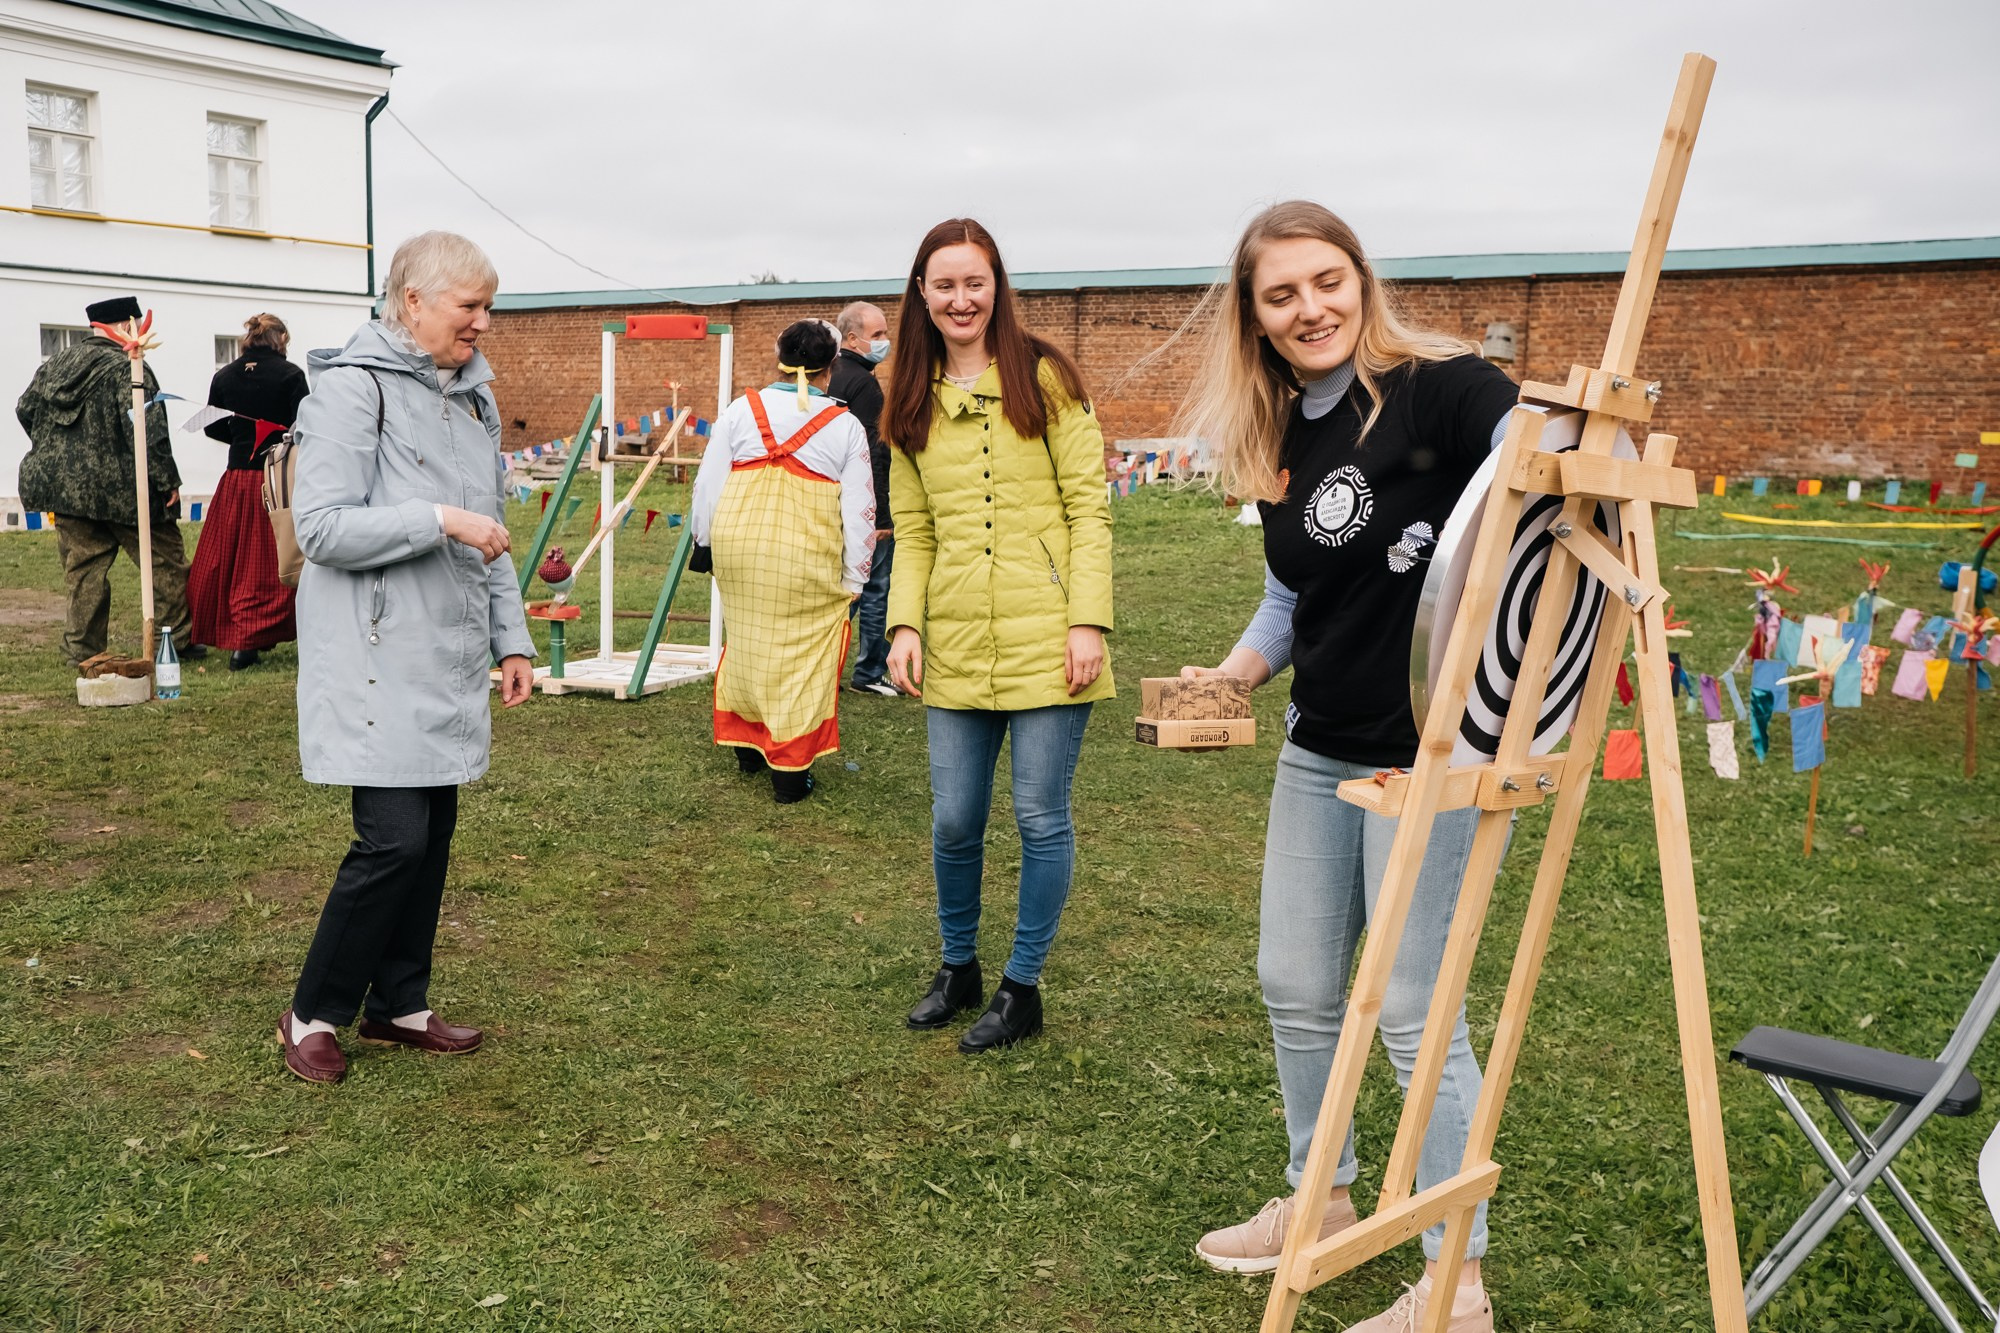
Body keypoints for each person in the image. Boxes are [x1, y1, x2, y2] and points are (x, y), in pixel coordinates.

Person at [1178, 202, 1520, 1332]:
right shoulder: (1280, 427)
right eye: (1281, 294)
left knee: (1418, 1012)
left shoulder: (1446, 389)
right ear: (1255, 318)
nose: (1309, 307)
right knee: (1295, 984)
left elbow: (1544, 481)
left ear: (1360, 281)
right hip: (1315, 742)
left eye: (1325, 281)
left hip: (1431, 750)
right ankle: (1318, 1195)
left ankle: (1454, 1283)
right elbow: (1290, 594)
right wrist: (1232, 672)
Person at [277, 231, 535, 1086]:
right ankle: (312, 1011)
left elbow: (491, 531)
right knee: (392, 840)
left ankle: (399, 1004)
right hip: (377, 657)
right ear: (413, 302)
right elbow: (321, 529)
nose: (484, 323)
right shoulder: (351, 391)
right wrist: (437, 518)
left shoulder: (473, 399)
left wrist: (514, 639)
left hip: (448, 651)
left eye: (488, 305)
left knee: (432, 838)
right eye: (470, 306)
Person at [883, 218, 1113, 1054]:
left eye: (974, 282)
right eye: (944, 284)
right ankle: (959, 966)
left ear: (997, 285)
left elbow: (1089, 508)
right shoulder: (902, 392)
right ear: (921, 293)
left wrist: (1087, 619)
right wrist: (904, 622)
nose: (961, 298)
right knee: (954, 818)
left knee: (1039, 814)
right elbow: (912, 528)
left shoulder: (1045, 377)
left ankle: (1022, 985)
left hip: (1051, 636)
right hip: (953, 637)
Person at [690, 319, 874, 803]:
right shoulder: (845, 424)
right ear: (830, 366)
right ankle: (790, 771)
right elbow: (859, 509)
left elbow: (708, 483)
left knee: (748, 639)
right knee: (804, 656)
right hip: (806, 549)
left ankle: (747, 747)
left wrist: (703, 542)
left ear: (780, 358)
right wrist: (857, 574)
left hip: (739, 545)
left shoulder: (739, 410)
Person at [16, 295, 200, 665]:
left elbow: (25, 408)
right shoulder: (128, 367)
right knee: (165, 563)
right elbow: (148, 430)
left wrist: (58, 449)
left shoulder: (55, 366)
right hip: (124, 490)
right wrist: (167, 481)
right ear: (126, 326)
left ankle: (82, 649)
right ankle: (175, 641)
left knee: (84, 571)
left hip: (65, 490)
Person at [188, 313, 309, 669]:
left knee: (232, 559)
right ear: (281, 340)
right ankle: (256, 637)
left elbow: (209, 429)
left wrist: (240, 437)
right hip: (279, 479)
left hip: (238, 476)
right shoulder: (291, 376)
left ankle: (243, 644)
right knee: (273, 560)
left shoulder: (224, 376)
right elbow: (305, 426)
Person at [830, 300, 898, 696]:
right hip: (865, 503)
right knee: (873, 587)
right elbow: (874, 451)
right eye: (878, 335)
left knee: (842, 587)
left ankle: (823, 663)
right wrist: (883, 515)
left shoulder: (829, 375)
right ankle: (869, 672)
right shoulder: (866, 385)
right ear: (852, 339)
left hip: (831, 499)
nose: (884, 342)